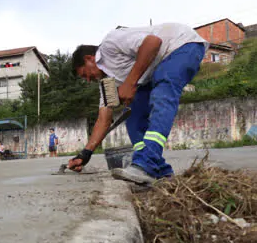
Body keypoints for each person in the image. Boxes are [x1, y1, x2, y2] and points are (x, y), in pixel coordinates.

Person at [68, 23, 208, 184]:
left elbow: (153, 42)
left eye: (85, 74)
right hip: (154, 70)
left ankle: (146, 164)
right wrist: (85, 154)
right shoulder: (107, 84)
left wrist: (129, 83)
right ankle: (160, 172)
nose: (88, 80)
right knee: (134, 116)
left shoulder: (110, 43)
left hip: (181, 46)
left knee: (162, 93)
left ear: (89, 58)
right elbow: (103, 119)